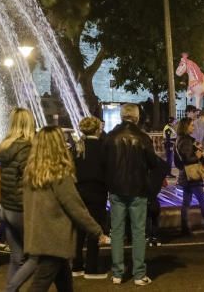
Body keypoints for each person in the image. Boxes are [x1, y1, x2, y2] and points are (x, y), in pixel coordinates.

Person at [22, 126, 109, 291]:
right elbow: (75, 207)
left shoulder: (32, 173)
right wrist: (97, 231)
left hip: (40, 234)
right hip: (55, 237)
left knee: (64, 282)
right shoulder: (59, 174)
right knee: (40, 284)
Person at [105, 104, 159, 286]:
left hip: (116, 188)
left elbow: (104, 163)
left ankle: (118, 272)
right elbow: (153, 162)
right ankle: (139, 274)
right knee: (138, 232)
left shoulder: (111, 137)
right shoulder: (142, 138)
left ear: (122, 116)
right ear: (136, 117)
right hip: (138, 189)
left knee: (117, 231)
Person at [0, 108, 37, 292]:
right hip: (22, 208)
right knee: (38, 256)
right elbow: (31, 179)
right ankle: (10, 289)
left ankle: (11, 288)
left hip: (7, 208)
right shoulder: (27, 149)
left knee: (17, 258)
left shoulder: (5, 146)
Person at [71, 117, 108, 280]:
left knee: (79, 227)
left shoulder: (77, 147)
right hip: (97, 191)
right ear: (97, 129)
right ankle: (91, 267)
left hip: (78, 190)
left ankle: (77, 265)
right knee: (94, 227)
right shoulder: (102, 147)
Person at [175, 117, 204, 238]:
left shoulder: (182, 140)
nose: (193, 127)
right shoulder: (185, 141)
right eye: (191, 125)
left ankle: (185, 228)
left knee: (186, 202)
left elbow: (179, 162)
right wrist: (198, 156)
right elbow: (188, 159)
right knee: (203, 201)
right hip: (192, 176)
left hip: (186, 176)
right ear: (185, 127)